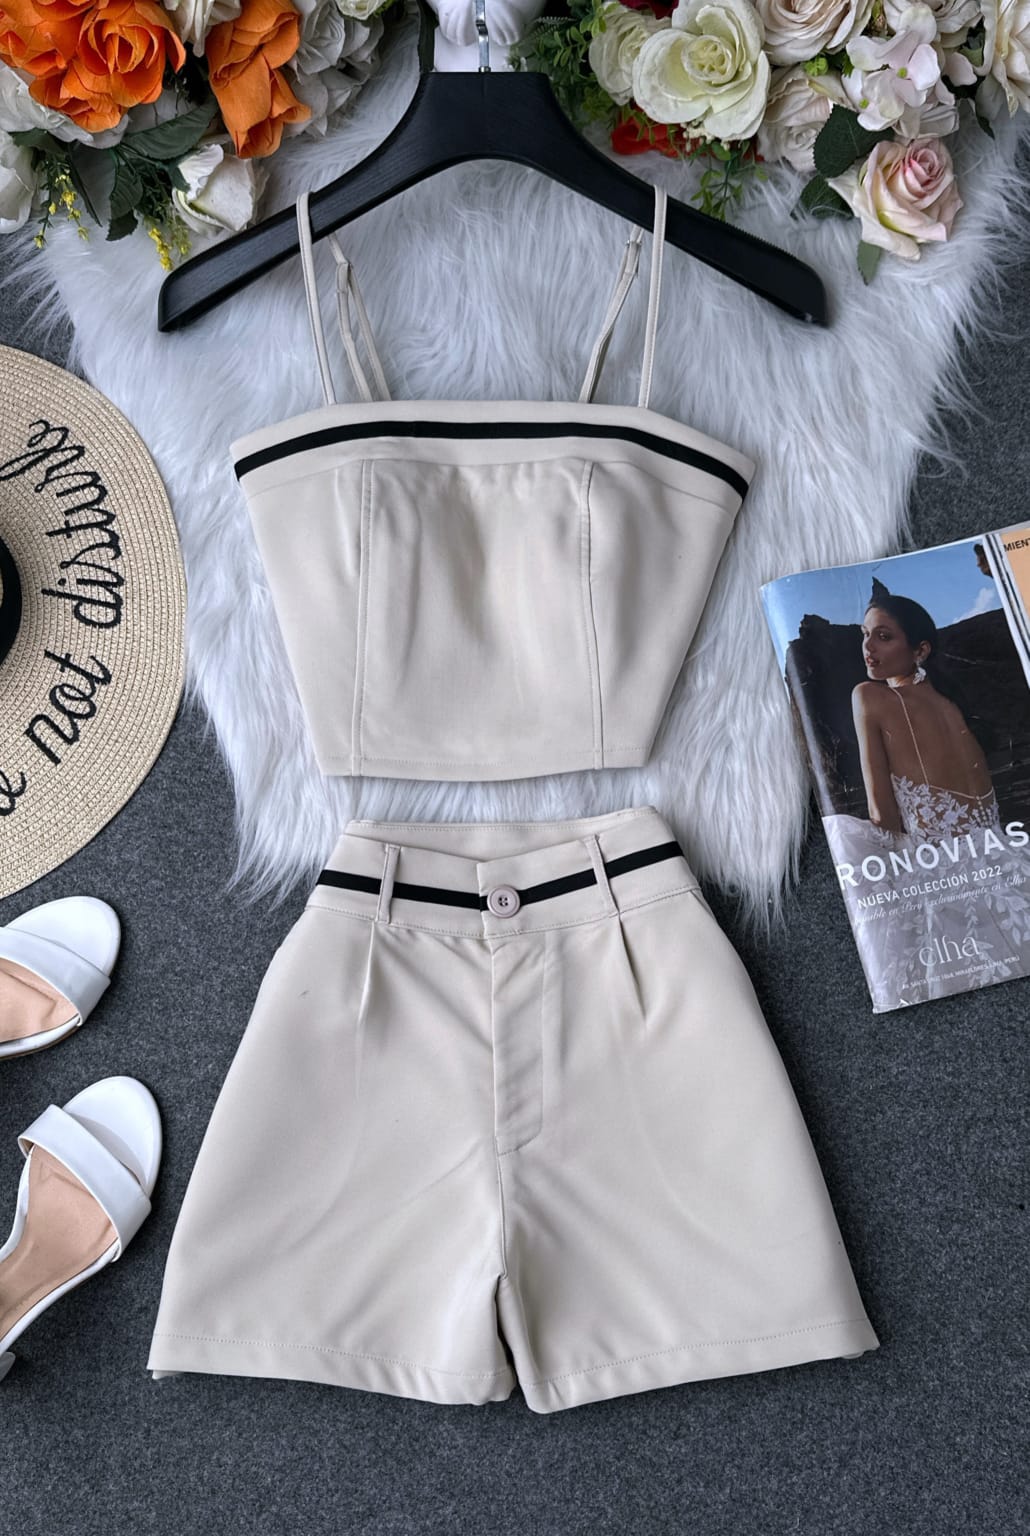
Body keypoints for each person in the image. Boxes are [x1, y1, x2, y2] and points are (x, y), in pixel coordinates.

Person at [822, 579, 1030, 1010]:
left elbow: (883, 815)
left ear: (920, 651)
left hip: (943, 878)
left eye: (883, 636)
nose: (868, 648)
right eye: (865, 635)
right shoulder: (951, 704)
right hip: (1005, 863)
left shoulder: (868, 696)